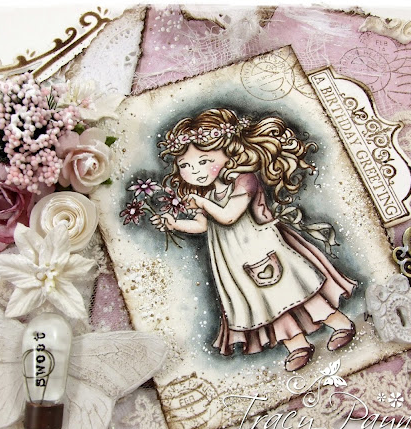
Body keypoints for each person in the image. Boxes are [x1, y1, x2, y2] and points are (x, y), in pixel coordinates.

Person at [151, 108, 356, 371]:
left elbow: (229, 216)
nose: (195, 171)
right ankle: (297, 345)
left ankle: (340, 324)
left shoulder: (244, 180)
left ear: (229, 152)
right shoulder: (207, 192)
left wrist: (201, 202)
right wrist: (174, 223)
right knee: (265, 303)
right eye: (185, 166)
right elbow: (202, 225)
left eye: (204, 161)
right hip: (233, 260)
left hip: (263, 249)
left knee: (293, 289)